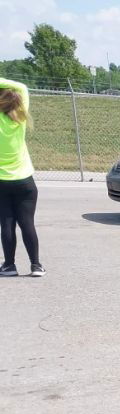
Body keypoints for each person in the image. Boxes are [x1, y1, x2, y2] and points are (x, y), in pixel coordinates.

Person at [0, 77, 42, 277]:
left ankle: (9, 265)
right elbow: (22, 87)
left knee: (6, 223)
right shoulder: (21, 118)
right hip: (25, 181)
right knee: (27, 223)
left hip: (2, 182)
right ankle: (36, 265)